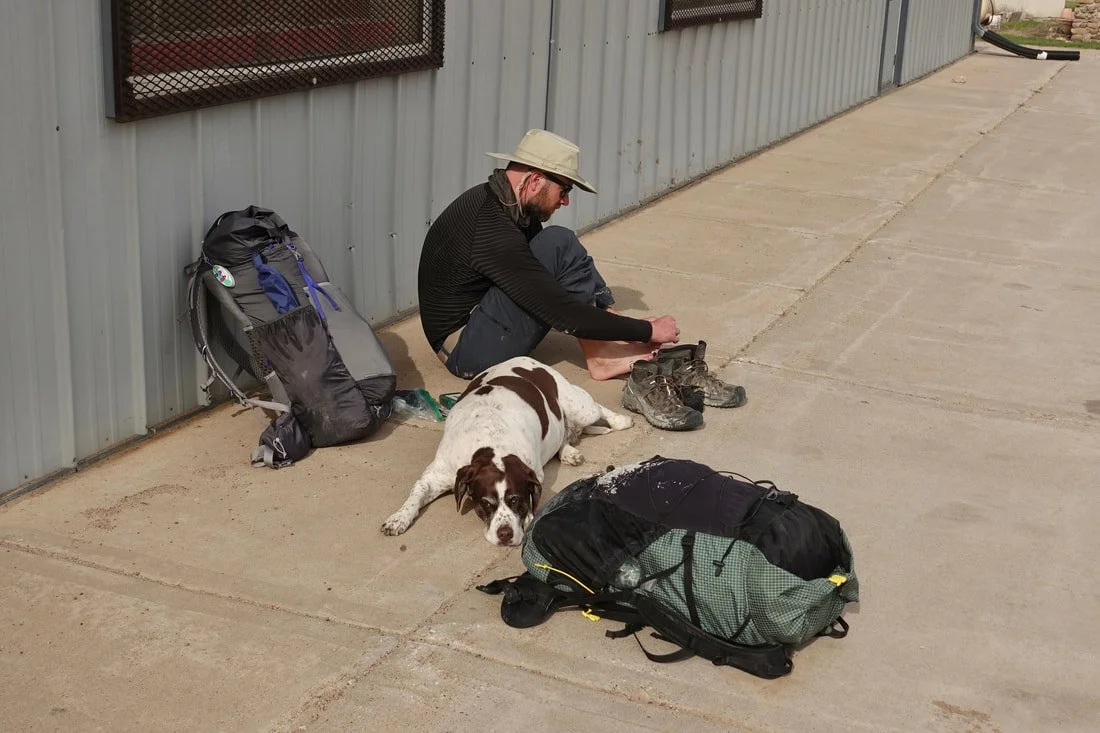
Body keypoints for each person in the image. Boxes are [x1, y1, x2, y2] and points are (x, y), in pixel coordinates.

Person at [417, 129, 679, 382]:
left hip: (481, 318)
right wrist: (647, 331)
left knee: (557, 244)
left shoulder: (509, 204)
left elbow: (553, 275)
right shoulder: (493, 231)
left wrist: (613, 318)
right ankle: (601, 357)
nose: (565, 201)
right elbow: (561, 311)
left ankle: (606, 332)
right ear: (535, 180)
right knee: (559, 241)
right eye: (564, 190)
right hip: (467, 350)